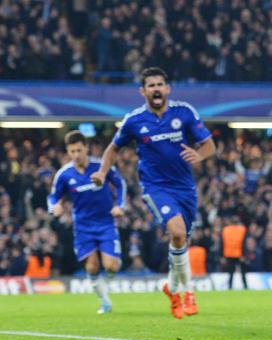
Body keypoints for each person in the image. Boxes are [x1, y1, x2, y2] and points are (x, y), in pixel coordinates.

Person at [91, 67, 216, 319]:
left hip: (185, 188)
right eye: (151, 85)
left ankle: (172, 287)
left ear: (167, 88)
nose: (156, 89)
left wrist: (200, 155)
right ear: (143, 91)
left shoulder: (185, 112)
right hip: (155, 187)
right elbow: (112, 149)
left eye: (160, 84)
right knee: (178, 232)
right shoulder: (134, 120)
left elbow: (209, 145)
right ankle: (188, 290)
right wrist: (103, 173)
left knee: (180, 240)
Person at [48, 130, 127, 314]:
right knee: (92, 266)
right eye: (72, 151)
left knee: (111, 266)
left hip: (106, 221)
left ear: (86, 148)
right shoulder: (64, 174)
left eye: (79, 150)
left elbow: (120, 183)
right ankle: (104, 301)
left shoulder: (101, 167)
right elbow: (53, 197)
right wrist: (55, 207)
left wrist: (120, 205)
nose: (76, 155)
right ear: (68, 152)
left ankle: (106, 284)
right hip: (83, 225)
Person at [222, 215, 248, 290]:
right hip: (239, 254)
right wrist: (244, 254)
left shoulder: (225, 230)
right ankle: (245, 287)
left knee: (231, 273)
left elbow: (222, 243)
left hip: (229, 254)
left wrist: (222, 255)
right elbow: (244, 243)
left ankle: (229, 287)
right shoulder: (242, 229)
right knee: (243, 273)